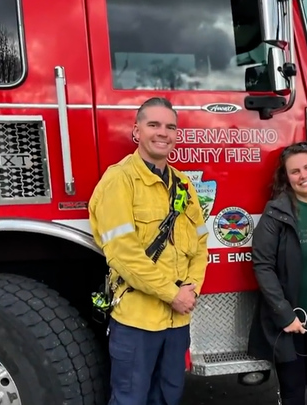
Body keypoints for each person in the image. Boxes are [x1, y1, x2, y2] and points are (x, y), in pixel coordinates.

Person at [88, 97, 208, 405]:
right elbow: (123, 254)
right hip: (137, 322)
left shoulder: (182, 184)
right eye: (153, 124)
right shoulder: (119, 180)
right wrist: (173, 294)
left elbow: (200, 242)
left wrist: (192, 289)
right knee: (130, 399)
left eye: (170, 126)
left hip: (177, 321)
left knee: (168, 397)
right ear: (136, 132)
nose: (162, 133)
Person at [247, 142, 307, 405]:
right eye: (295, 171)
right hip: (290, 323)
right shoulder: (276, 213)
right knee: (292, 391)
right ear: (286, 177)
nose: (303, 176)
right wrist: (284, 314)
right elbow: (263, 265)